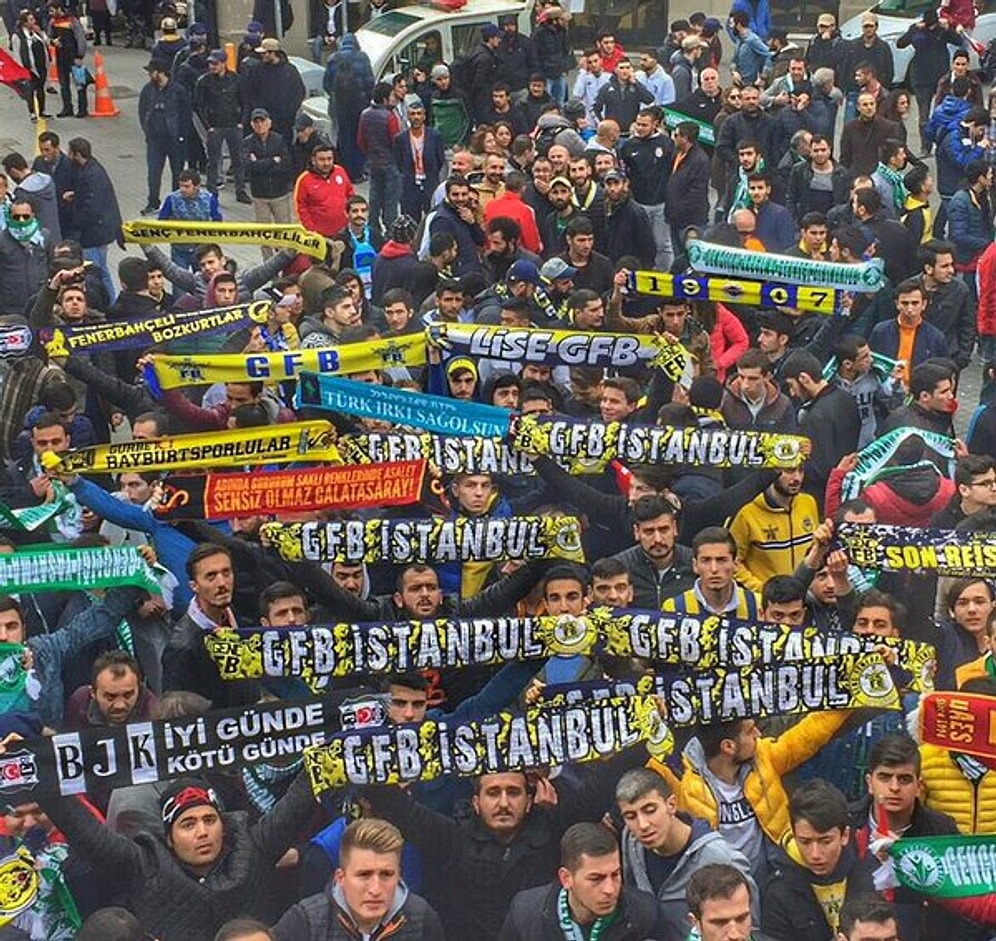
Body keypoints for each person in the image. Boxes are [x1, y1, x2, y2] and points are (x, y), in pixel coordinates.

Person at [39, 772, 317, 941]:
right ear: (169, 838)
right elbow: (86, 834)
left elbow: (298, 803)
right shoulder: (143, 865)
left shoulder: (254, 846)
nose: (202, 832)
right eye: (188, 824)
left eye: (210, 820)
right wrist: (36, 774)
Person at [615, 768, 757, 941]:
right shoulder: (631, 840)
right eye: (630, 816)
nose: (642, 824)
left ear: (671, 805)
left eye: (650, 810)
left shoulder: (722, 858)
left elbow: (750, 927)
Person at [273, 819, 444, 941]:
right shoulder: (305, 921)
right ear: (340, 878)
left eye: (386, 874)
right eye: (364, 875)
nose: (375, 889)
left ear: (399, 875)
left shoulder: (422, 919)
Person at [499, 822, 667, 941]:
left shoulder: (644, 914)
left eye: (615, 875)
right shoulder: (526, 913)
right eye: (596, 878)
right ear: (566, 878)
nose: (610, 889)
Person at [761, 780, 876, 941]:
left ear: (844, 836)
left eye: (825, 841)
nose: (815, 854)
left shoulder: (866, 873)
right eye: (805, 842)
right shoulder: (778, 890)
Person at [781, 350, 861, 507]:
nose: (792, 393)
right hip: (847, 490)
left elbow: (819, 469)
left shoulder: (816, 417)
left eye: (792, 385)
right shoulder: (846, 398)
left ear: (804, 378)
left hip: (822, 499)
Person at [195, 49, 249, 202]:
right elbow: (198, 105)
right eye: (210, 63)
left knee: (238, 159)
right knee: (213, 161)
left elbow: (244, 101)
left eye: (215, 63)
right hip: (215, 126)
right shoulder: (204, 81)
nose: (212, 66)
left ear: (224, 63)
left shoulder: (235, 79)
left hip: (233, 124)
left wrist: (241, 122)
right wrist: (208, 126)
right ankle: (213, 193)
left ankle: (241, 191)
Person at [138, 58, 190, 216]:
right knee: (153, 173)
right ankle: (153, 202)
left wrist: (182, 136)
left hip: (174, 140)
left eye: (152, 72)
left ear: (160, 73)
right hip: (155, 140)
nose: (149, 75)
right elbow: (142, 111)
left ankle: (175, 204)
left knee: (177, 173)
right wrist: (147, 131)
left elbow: (186, 115)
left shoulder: (178, 91)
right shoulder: (148, 90)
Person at [243, 109, 294, 251]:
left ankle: (285, 264)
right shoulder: (247, 142)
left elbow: (286, 164)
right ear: (252, 125)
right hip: (260, 195)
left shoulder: (279, 139)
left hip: (279, 192)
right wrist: (272, 161)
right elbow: (248, 166)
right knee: (264, 235)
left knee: (284, 232)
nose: (260, 125)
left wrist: (259, 163)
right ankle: (268, 267)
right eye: (256, 122)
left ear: (269, 122)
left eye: (262, 121)